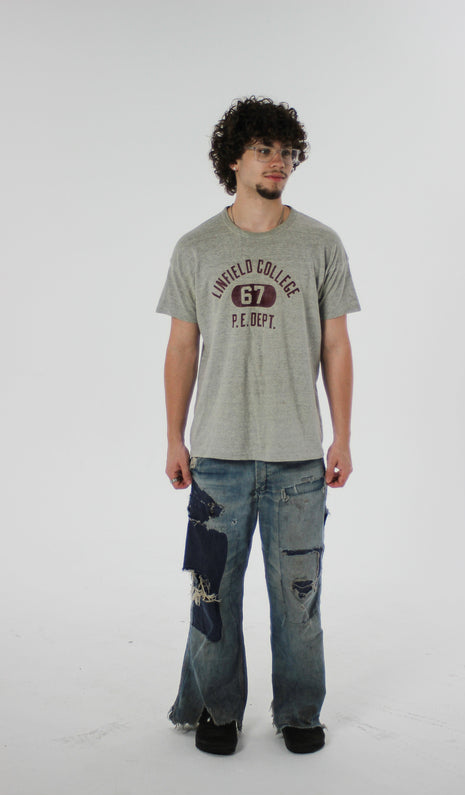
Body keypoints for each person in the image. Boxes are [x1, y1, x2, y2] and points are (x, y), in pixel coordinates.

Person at [156, 96, 360, 755]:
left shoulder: (320, 243)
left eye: (287, 152)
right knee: (210, 596)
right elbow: (182, 347)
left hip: (297, 458)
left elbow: (336, 346)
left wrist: (342, 436)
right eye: (264, 150)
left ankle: (298, 713)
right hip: (216, 457)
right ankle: (216, 710)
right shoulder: (196, 247)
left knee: (298, 600)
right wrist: (174, 438)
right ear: (233, 159)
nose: (278, 162)